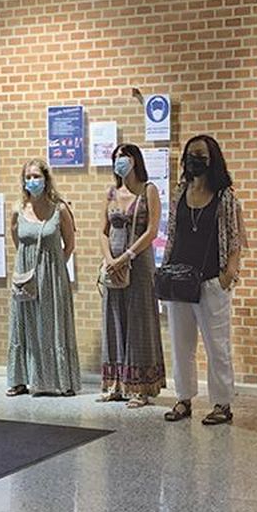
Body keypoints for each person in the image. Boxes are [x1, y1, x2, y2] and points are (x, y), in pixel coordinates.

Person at [162, 134, 247, 427]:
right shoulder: (179, 193)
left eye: (200, 155)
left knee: (217, 346)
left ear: (212, 160)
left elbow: (235, 239)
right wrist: (165, 268)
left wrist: (228, 275)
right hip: (179, 280)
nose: (194, 160)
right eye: (190, 154)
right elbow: (172, 234)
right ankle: (183, 398)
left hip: (212, 280)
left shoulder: (225, 197)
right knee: (181, 344)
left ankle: (222, 404)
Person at [6, 159, 81, 397]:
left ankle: (61, 380)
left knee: (53, 325)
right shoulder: (18, 209)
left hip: (52, 276)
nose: (32, 181)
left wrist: (54, 265)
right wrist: (29, 264)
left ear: (46, 179)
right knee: (24, 324)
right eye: (28, 177)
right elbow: (17, 241)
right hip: (25, 276)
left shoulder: (59, 209)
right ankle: (21, 380)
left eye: (36, 176)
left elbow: (69, 244)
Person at [99, 143, 165, 407]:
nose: (119, 162)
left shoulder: (148, 190)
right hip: (113, 265)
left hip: (139, 264)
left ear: (135, 160)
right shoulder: (111, 193)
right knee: (114, 319)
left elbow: (152, 231)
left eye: (124, 157)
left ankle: (141, 387)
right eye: (116, 158)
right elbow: (102, 231)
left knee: (140, 321)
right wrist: (109, 260)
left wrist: (127, 257)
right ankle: (116, 383)